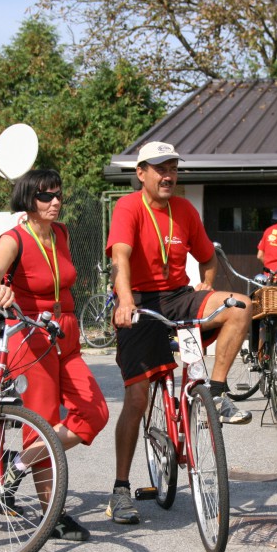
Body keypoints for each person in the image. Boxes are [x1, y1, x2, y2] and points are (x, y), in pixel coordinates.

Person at [104, 141, 253, 525]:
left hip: (178, 295)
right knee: (137, 398)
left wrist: (206, 285)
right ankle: (121, 488)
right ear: (142, 174)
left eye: (172, 167)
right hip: (138, 299)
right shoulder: (128, 207)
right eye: (159, 169)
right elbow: (120, 257)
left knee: (240, 306)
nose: (168, 175)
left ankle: (216, 393)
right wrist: (124, 302)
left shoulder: (184, 209)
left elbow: (206, 256)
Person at [0, 169, 109, 542]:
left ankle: (16, 466)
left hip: (65, 332)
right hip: (31, 335)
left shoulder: (62, 234)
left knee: (95, 411)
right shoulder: (14, 238)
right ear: (27, 200)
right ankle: (51, 514)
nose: (55, 202)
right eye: (45, 196)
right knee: (43, 420)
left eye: (58, 195)